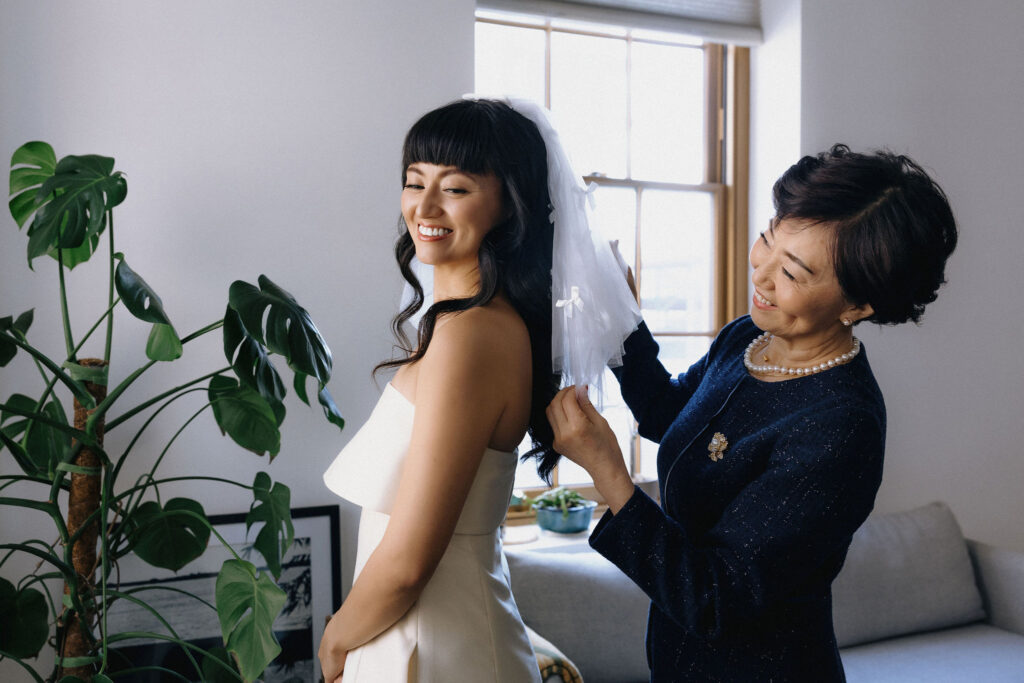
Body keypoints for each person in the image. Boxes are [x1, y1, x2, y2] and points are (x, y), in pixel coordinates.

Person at [546, 144, 958, 681]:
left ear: (858, 306)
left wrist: (608, 475)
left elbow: (716, 596)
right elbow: (668, 414)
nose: (761, 272)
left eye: (792, 271)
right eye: (768, 237)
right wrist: (623, 315)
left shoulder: (840, 425)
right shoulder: (749, 337)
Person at [318, 96, 638, 683]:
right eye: (415, 182)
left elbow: (412, 559)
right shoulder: (462, 323)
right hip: (408, 633)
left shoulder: (472, 335)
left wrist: (336, 638)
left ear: (508, 207)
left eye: (457, 188)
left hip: (436, 642)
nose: (425, 206)